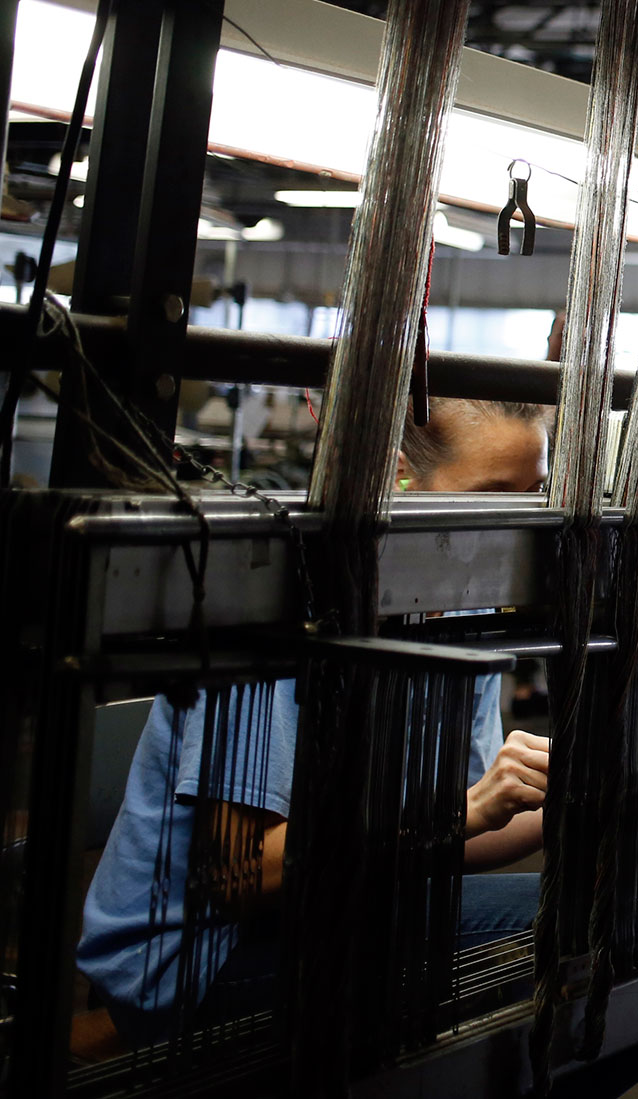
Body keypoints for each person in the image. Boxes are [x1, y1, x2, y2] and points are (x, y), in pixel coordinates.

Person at [77, 398, 556, 1050]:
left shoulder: (458, 615)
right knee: (554, 928)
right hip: (196, 958)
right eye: (493, 494)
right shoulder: (283, 599)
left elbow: (456, 831)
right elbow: (241, 876)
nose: (519, 526)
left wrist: (573, 803)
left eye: (533, 496)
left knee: (609, 917)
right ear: (394, 479)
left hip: (336, 901)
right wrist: (459, 811)